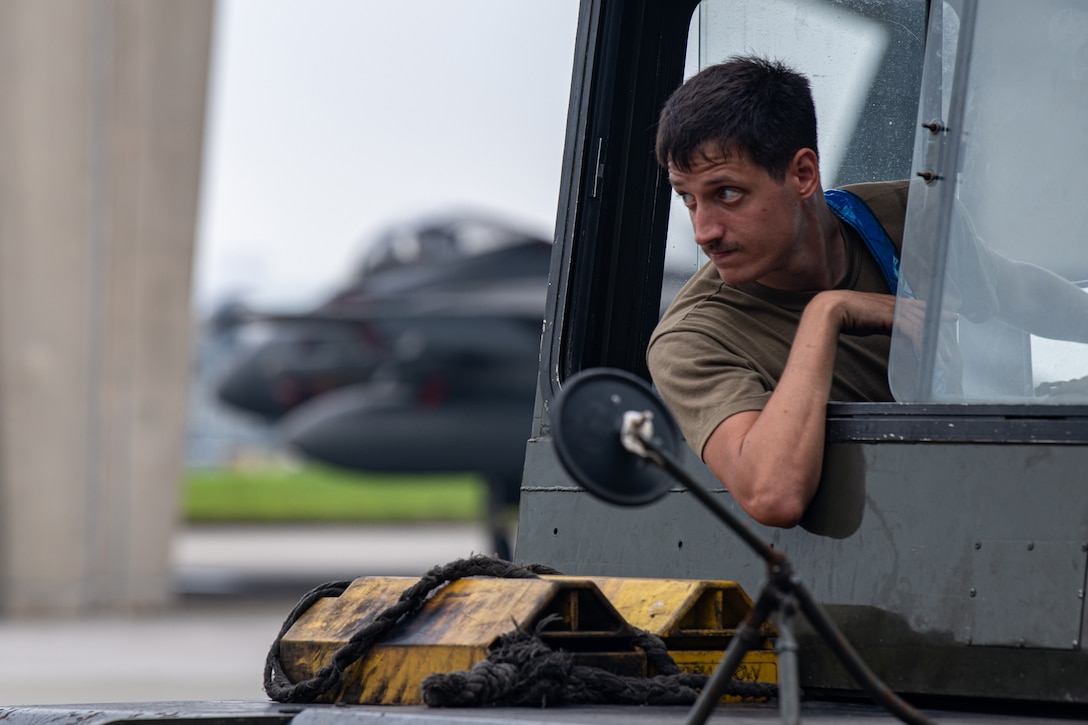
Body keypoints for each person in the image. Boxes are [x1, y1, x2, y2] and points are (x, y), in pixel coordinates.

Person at [646, 56, 913, 529]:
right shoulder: (691, 341)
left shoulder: (907, 217)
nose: (702, 231)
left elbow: (1020, 306)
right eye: (687, 198)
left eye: (726, 193)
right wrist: (827, 313)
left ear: (803, 174)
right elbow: (772, 495)